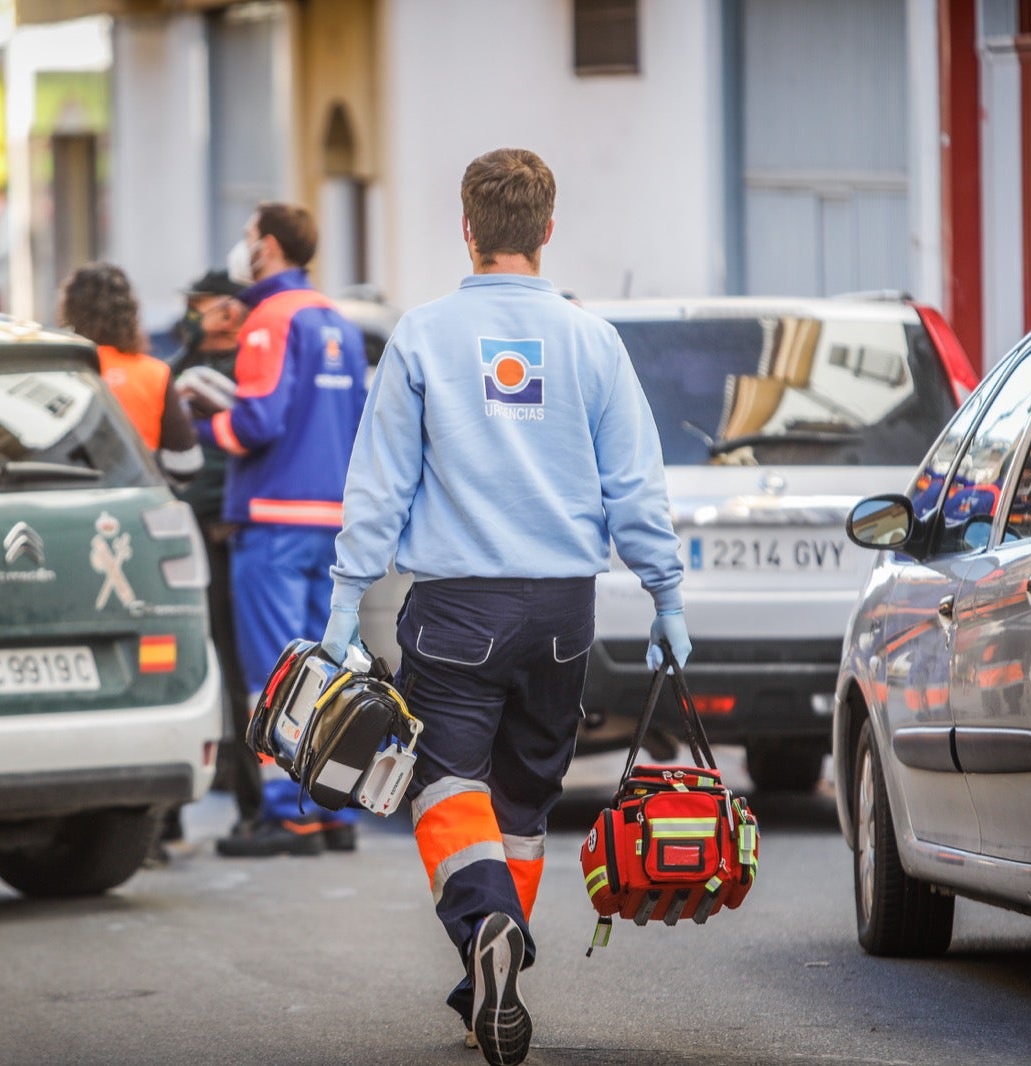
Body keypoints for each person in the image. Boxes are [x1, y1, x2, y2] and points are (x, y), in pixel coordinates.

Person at [318, 148, 691, 1066]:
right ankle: (501, 955)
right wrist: (666, 594)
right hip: (565, 613)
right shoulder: (591, 340)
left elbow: (378, 488)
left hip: (458, 607)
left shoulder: (424, 336)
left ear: (468, 228)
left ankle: (486, 926)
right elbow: (634, 485)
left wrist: (343, 602)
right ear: (547, 231)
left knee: (446, 783)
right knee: (524, 793)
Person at [197, 202, 370, 858]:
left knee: (274, 675)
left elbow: (255, 424)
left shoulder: (270, 318)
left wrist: (204, 425)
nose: (244, 249)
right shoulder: (338, 322)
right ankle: (332, 810)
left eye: (247, 237)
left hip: (272, 524)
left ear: (267, 246)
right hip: (331, 521)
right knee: (328, 671)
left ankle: (285, 812)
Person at [169, 269, 260, 829]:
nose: (195, 316)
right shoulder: (179, 366)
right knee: (181, 665)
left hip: (232, 534)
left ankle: (254, 806)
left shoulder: (252, 364)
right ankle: (168, 816)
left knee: (236, 673)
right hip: (183, 528)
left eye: (203, 306)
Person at [58, 262, 202, 485]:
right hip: (135, 502)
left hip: (70, 500)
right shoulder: (155, 374)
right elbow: (185, 466)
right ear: (129, 313)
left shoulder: (59, 371)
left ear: (70, 311)